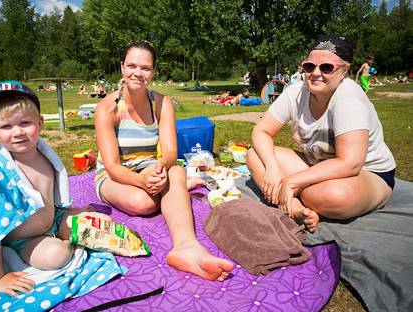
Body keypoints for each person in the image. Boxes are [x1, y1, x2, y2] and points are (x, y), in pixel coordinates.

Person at [0, 81, 125, 299]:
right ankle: (68, 240)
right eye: (6, 127)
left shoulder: (43, 154)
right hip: (24, 241)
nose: (18, 132)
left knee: (102, 223)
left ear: (39, 123)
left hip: (53, 221)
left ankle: (67, 230)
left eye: (25, 123)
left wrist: (66, 213)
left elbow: (50, 196)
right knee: (57, 255)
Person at [94, 40, 233, 281]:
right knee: (144, 203)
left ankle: (186, 247)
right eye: (132, 66)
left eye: (145, 68)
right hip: (115, 174)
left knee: (177, 171)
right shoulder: (108, 109)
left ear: (153, 72)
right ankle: (173, 192)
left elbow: (169, 152)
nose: (138, 73)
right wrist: (142, 181)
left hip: (149, 165)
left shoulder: (162, 103)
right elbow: (113, 166)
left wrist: (159, 168)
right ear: (122, 68)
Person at [246, 35, 396, 233]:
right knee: (254, 155)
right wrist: (273, 169)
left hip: (367, 173)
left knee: (330, 196)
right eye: (309, 67)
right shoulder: (295, 92)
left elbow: (350, 163)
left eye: (326, 67)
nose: (315, 73)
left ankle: (295, 196)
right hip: (317, 164)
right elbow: (262, 131)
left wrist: (291, 181)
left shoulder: (348, 97)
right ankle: (296, 209)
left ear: (344, 71)